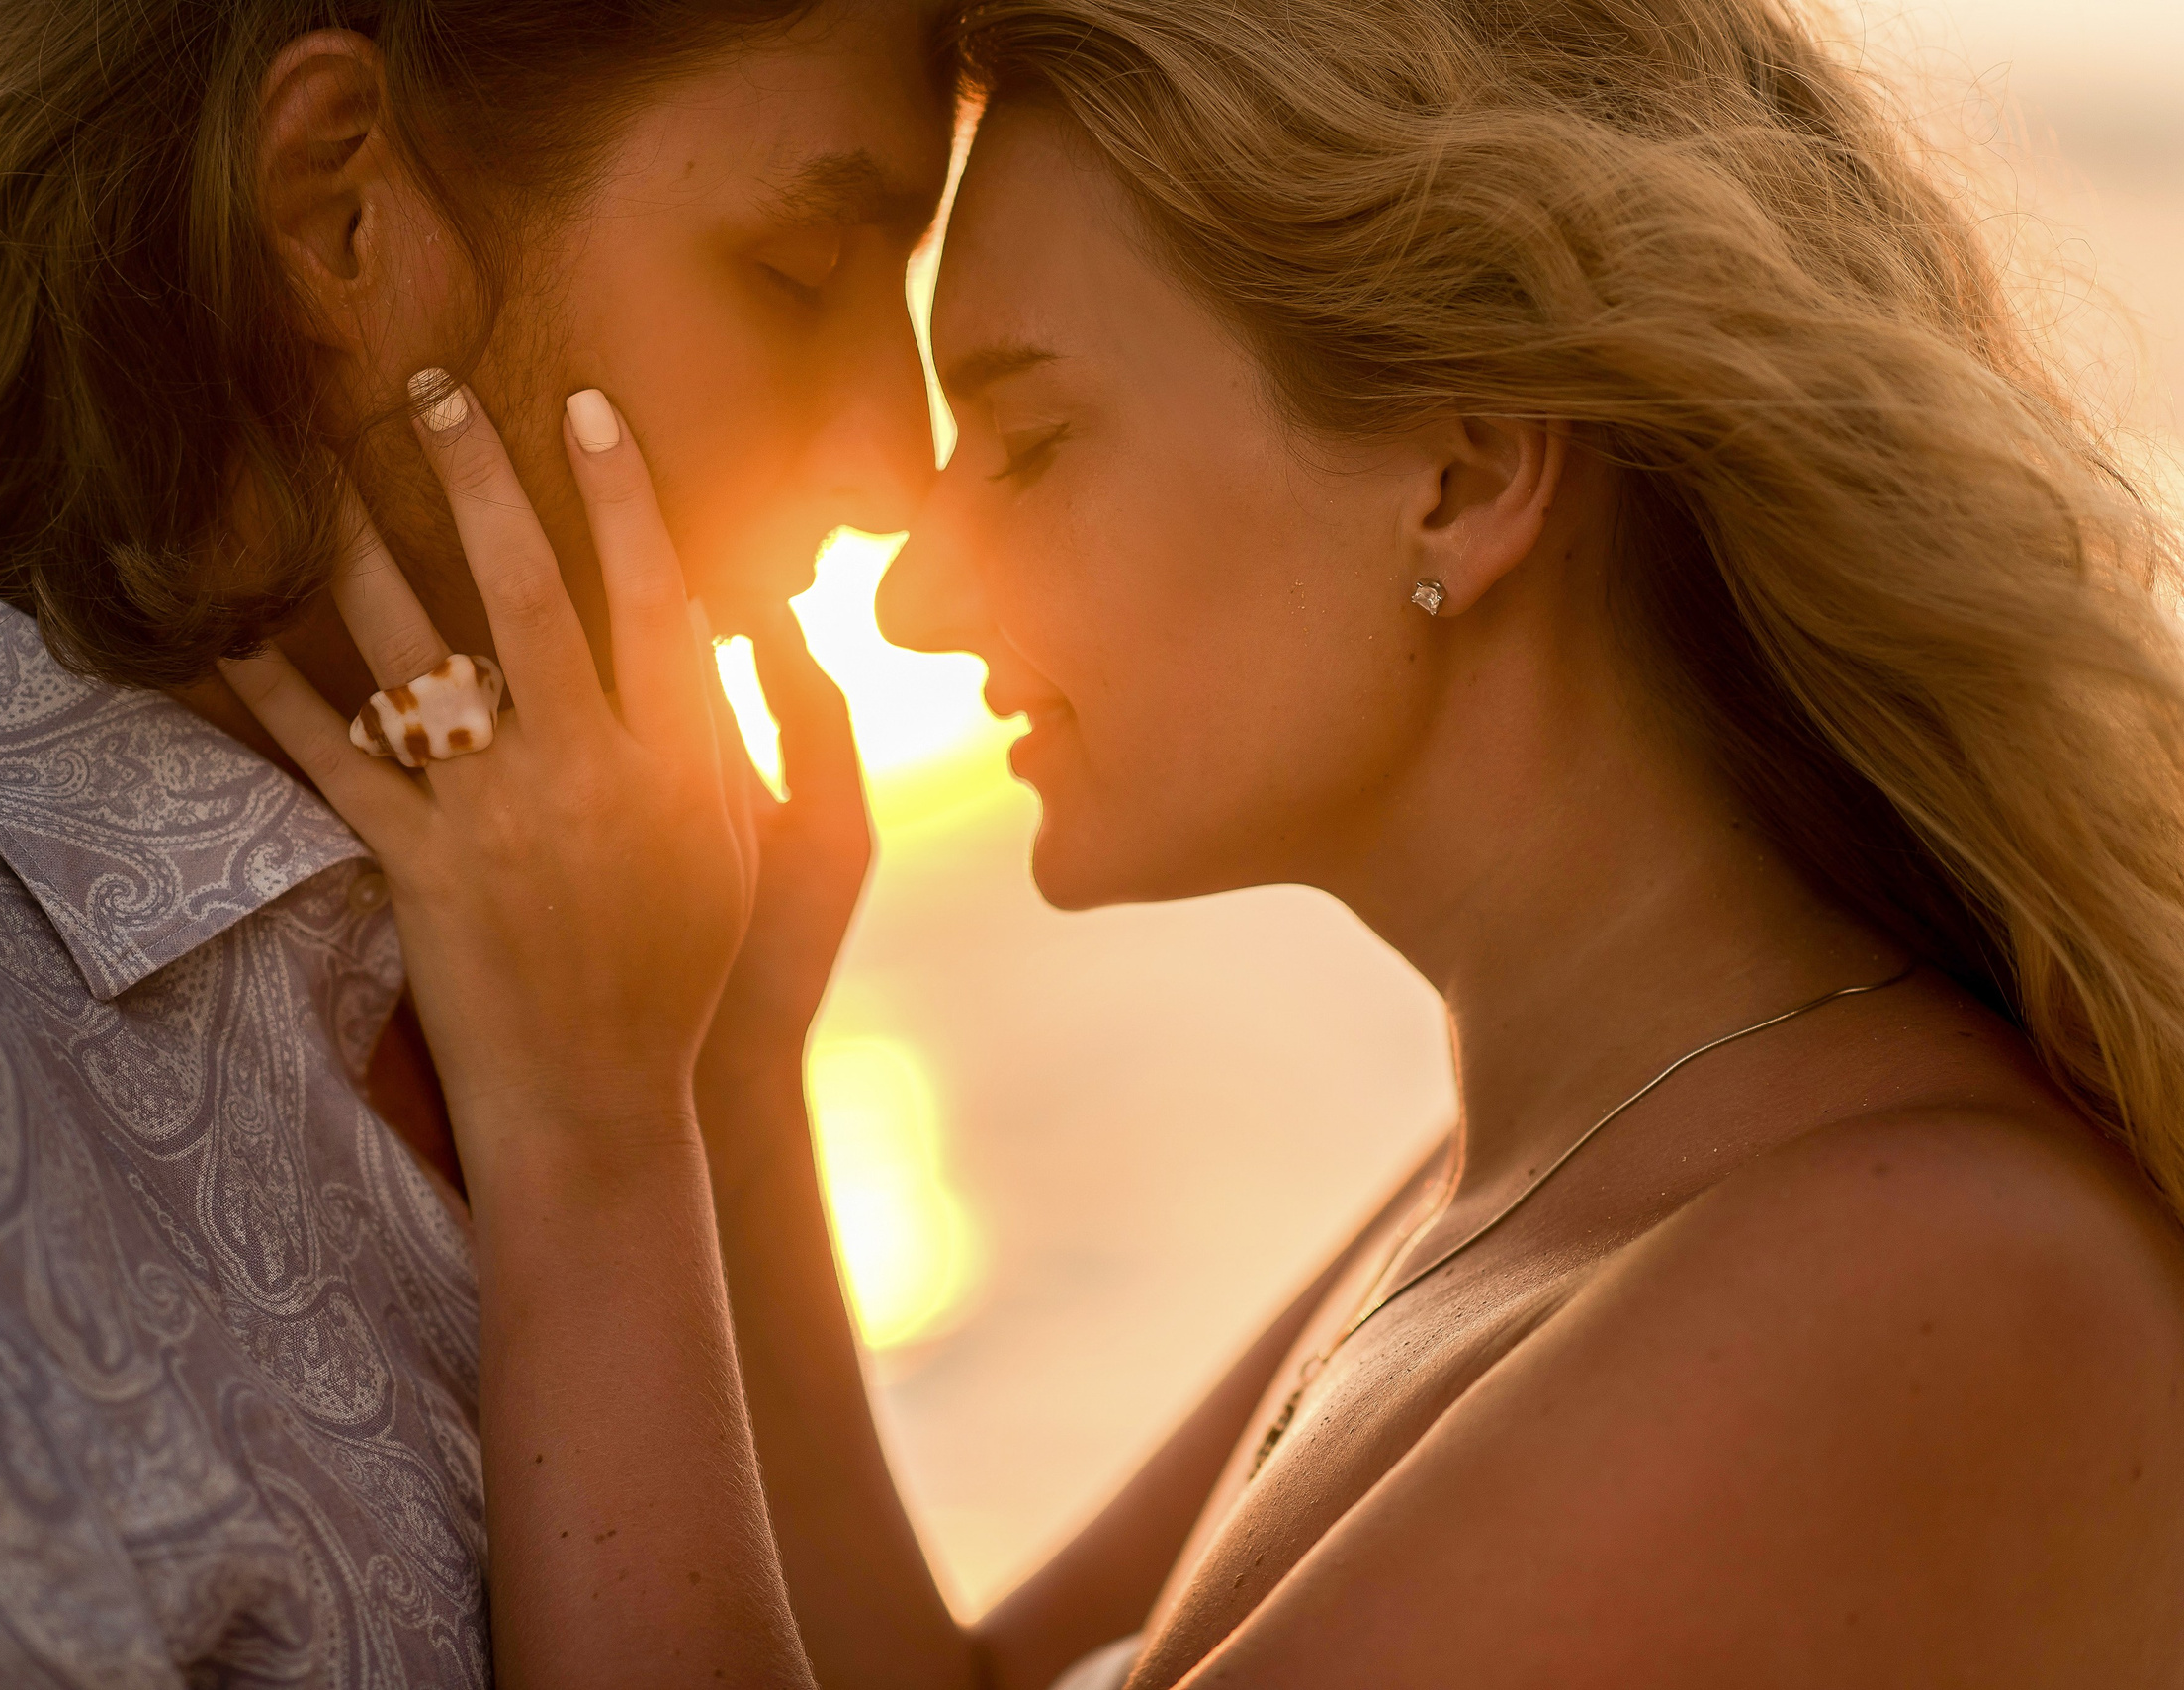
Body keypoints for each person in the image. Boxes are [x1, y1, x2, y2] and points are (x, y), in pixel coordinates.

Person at [229, 0, 2184, 1684]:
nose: (908, 597)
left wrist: (588, 1123)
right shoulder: (1577, 1155)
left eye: (1024, 436)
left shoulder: (1906, 1283)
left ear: (1459, 472)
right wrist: (736, 1075)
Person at [0, 0, 949, 1681]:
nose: (900, 462)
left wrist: (702, 1075)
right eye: (802, 265)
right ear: (336, 212)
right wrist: (608, 1127)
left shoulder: (517, 953)